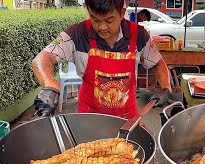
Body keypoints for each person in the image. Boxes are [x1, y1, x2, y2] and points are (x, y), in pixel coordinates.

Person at [32, 0, 171, 119]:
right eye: (95, 19)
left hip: (127, 120)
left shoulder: (139, 35)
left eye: (109, 20)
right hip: (89, 119)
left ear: (122, 13)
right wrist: (50, 84)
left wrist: (166, 88)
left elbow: (158, 63)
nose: (102, 27)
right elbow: (42, 58)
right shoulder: (77, 34)